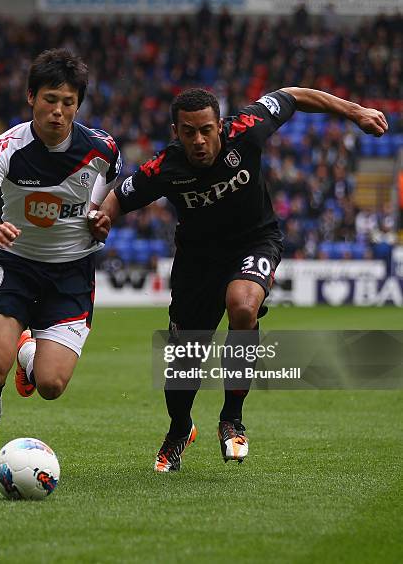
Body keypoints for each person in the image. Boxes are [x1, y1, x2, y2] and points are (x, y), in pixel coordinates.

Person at [88, 86, 387, 472]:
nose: (199, 140)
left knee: (243, 306)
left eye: (207, 130)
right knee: (184, 366)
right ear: (176, 132)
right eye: (189, 132)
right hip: (197, 264)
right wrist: (103, 217)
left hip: (255, 242)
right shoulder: (164, 167)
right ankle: (180, 429)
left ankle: (232, 418)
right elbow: (121, 196)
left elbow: (292, 95)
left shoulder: (248, 128)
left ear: (220, 126)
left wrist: (356, 110)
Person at [0, 49, 122, 480]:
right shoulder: (6, 148)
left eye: (68, 102)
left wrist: (103, 219)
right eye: (50, 99)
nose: (58, 111)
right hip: (14, 264)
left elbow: (106, 201)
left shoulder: (102, 149)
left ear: (78, 105)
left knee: (50, 386)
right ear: (31, 97)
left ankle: (27, 347)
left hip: (71, 273)